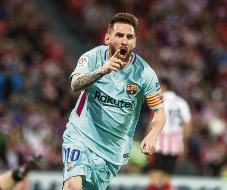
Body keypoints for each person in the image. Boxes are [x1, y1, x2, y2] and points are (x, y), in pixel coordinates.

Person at [62, 12, 166, 190]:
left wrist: (153, 135)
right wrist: (102, 71)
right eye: (119, 35)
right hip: (80, 136)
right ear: (107, 38)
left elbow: (159, 111)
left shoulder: (144, 73)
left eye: (129, 37)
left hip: (112, 152)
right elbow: (75, 84)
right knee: (73, 186)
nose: (124, 41)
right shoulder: (92, 58)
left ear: (134, 42)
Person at [146, 78, 192, 190]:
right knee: (167, 178)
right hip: (175, 144)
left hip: (159, 143)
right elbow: (187, 125)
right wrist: (184, 143)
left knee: (154, 177)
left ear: (163, 86)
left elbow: (152, 122)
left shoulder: (159, 101)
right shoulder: (182, 102)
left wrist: (147, 140)